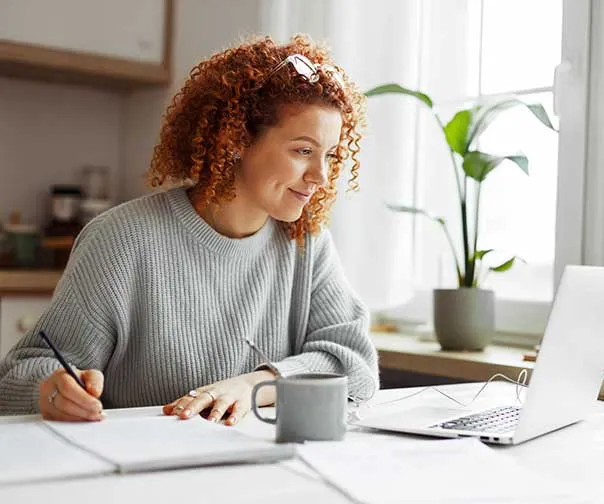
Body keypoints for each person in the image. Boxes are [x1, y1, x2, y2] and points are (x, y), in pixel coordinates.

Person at [0, 35, 379, 425]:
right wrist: (53, 389)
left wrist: (256, 386)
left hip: (262, 470)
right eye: (303, 150)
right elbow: (20, 376)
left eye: (331, 156)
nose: (321, 176)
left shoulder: (306, 243)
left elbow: (354, 365)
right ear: (236, 140)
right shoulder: (121, 241)